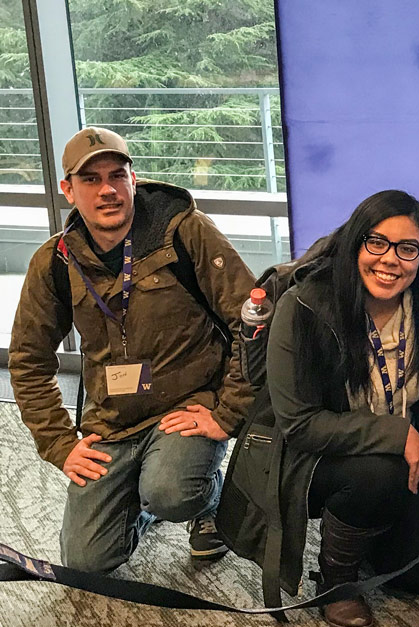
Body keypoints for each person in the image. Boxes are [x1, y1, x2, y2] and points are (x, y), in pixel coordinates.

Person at [9, 127, 256, 571]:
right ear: (68, 190)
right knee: (86, 563)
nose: (107, 190)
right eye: (90, 180)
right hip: (114, 419)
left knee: (173, 491)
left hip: (189, 403)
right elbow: (28, 361)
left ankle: (208, 503)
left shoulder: (183, 232)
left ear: (133, 179)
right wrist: (60, 443)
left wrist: (227, 413)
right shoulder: (56, 261)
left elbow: (254, 322)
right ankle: (145, 504)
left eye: (116, 175)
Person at [254, 190, 419, 627]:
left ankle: (366, 526)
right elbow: (299, 424)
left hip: (399, 458)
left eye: (407, 248)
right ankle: (337, 579)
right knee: (377, 474)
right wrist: (396, 435)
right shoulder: (304, 306)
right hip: (313, 459)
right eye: (377, 242)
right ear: (356, 242)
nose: (390, 260)